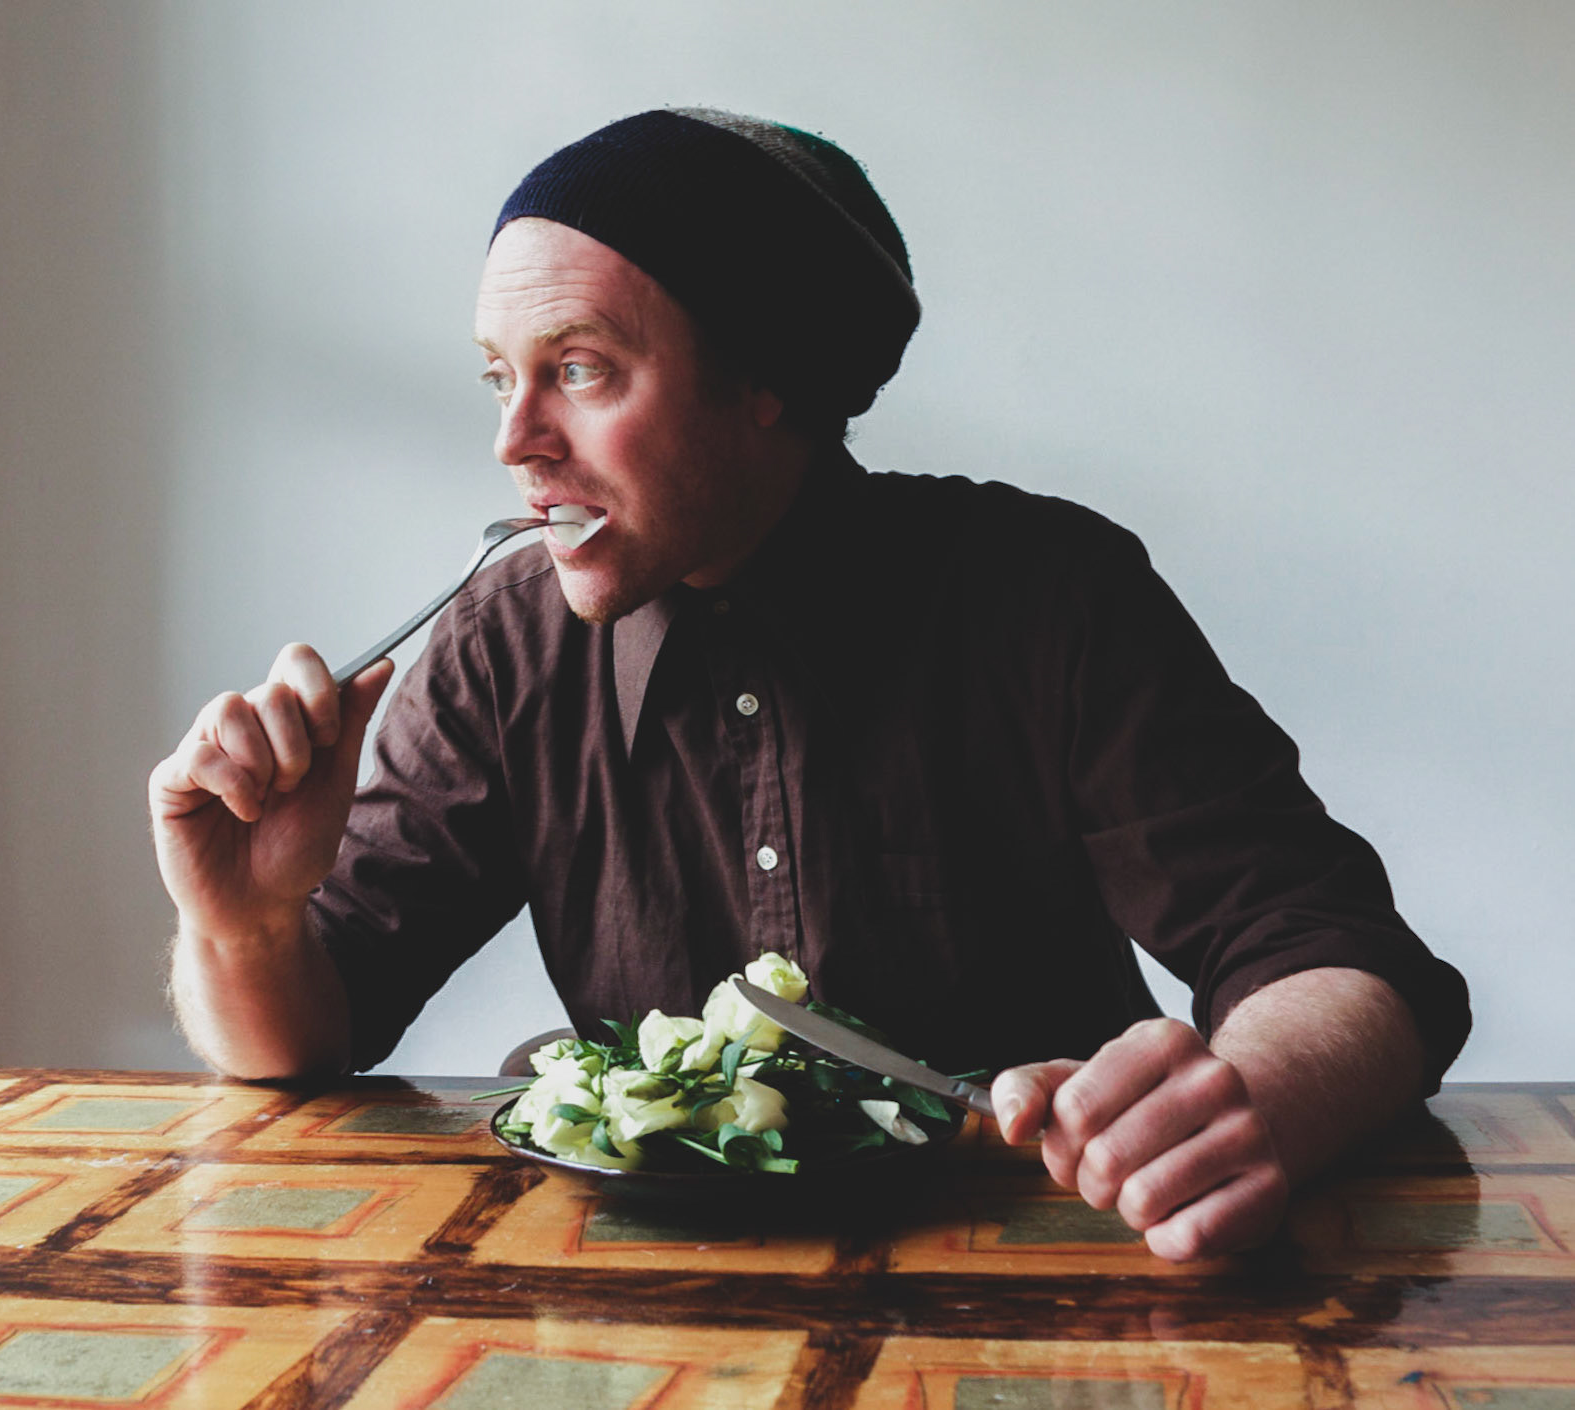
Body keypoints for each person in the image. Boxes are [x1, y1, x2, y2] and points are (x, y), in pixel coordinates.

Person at [150, 108, 1469, 1262]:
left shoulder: (1049, 596)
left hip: (1032, 1276)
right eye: (501, 377)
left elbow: (1343, 961)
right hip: (641, 1310)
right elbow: (313, 1031)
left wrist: (1249, 1102)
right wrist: (245, 926)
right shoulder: (505, 645)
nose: (515, 440)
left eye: (581, 368)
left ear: (763, 376)